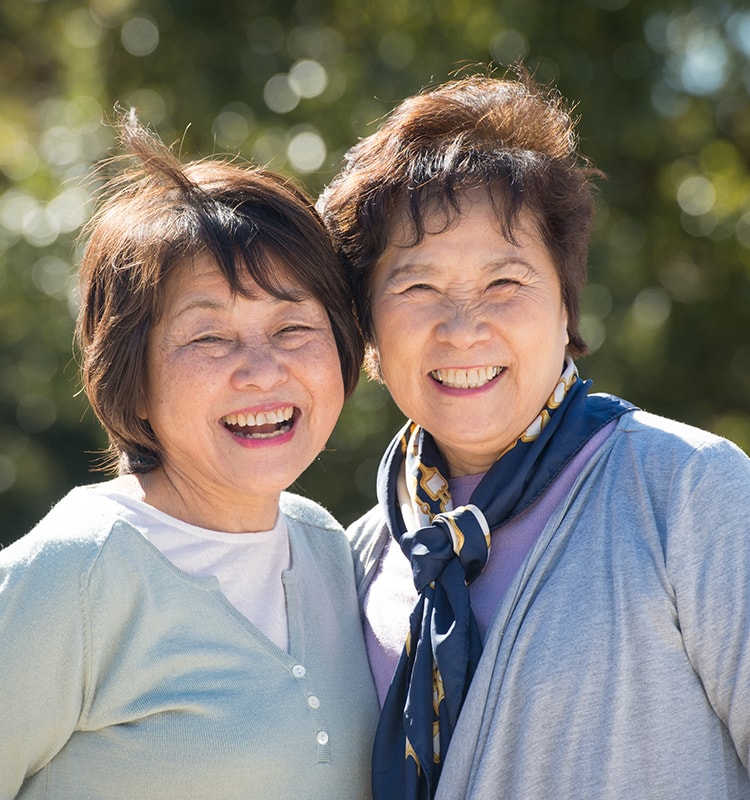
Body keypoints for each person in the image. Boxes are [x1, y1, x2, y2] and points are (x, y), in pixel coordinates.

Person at [317, 68, 750, 800]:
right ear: (368, 333)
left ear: (565, 309)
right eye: (417, 286)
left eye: (506, 282)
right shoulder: (355, 558)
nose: (463, 327)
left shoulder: (688, 491)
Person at [0, 113, 379, 799]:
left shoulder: (330, 552)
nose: (262, 372)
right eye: (209, 338)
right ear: (133, 377)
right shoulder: (74, 573)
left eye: (293, 327)